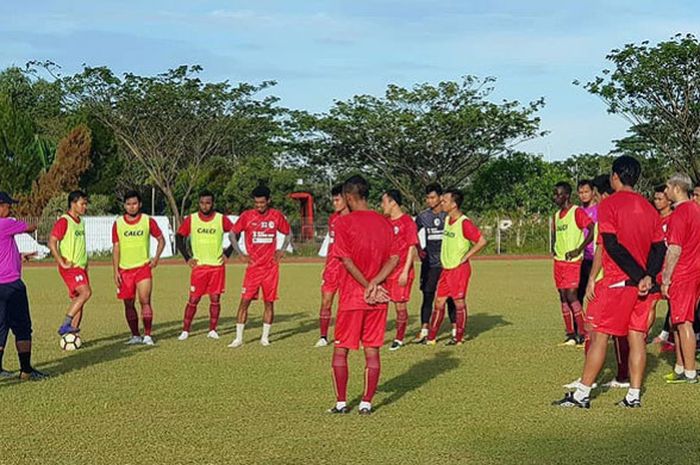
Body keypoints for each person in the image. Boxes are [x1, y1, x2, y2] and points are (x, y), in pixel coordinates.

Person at [555, 156, 665, 408]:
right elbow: (659, 247)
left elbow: (612, 247)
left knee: (599, 336)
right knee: (636, 338)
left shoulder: (609, 204)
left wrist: (638, 277)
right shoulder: (649, 208)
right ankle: (633, 396)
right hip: (644, 286)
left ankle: (582, 395)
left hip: (619, 283)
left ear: (615, 176)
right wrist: (648, 276)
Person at [327, 175, 399, 415]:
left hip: (352, 297)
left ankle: (341, 402)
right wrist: (376, 283)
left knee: (341, 350)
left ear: (348, 197)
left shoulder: (343, 223)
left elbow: (346, 261)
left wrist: (366, 284)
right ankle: (367, 403)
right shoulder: (385, 222)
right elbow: (394, 257)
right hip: (378, 297)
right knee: (372, 350)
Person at [228, 186, 291, 348]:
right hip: (253, 268)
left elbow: (288, 233)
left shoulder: (276, 216)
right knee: (244, 302)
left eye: (262, 203)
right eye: (256, 203)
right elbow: (232, 234)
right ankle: (238, 338)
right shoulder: (247, 216)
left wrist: (282, 250)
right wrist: (240, 253)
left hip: (270, 268)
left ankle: (265, 337)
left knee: (269, 303)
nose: (259, 206)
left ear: (268, 201)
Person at [425, 189, 487, 345]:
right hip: (446, 270)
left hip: (459, 270)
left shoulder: (464, 222)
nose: (441, 203)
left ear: (453, 204)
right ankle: (431, 337)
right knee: (438, 303)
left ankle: (458, 337)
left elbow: (481, 241)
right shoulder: (447, 219)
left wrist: (466, 256)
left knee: (459, 303)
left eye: (445, 201)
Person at [176, 190, 235, 341]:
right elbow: (179, 236)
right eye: (202, 202)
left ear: (213, 203)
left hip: (217, 266)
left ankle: (213, 330)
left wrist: (227, 253)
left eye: (208, 202)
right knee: (194, 299)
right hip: (199, 268)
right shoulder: (192, 219)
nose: (205, 205)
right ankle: (185, 330)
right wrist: (187, 258)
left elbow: (236, 232)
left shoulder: (221, 219)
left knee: (215, 299)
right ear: (199, 203)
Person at [0, 192, 47, 380]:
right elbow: (30, 226)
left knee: (1, 327)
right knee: (22, 327)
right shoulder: (5, 223)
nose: (10, 209)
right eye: (8, 205)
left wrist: (21, 256)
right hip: (11, 284)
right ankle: (26, 370)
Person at [112, 190, 165, 346]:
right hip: (124, 270)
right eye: (128, 204)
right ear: (124, 206)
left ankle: (148, 335)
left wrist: (155, 258)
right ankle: (135, 335)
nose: (132, 207)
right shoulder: (118, 223)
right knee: (128, 304)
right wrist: (115, 271)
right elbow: (116, 248)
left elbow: (161, 240)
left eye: (134, 203)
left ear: (140, 204)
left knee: (144, 300)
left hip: (142, 268)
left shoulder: (148, 221)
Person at [661, 173, 700, 384]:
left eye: (667, 187)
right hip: (695, 271)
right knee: (676, 320)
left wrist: (666, 279)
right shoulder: (696, 209)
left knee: (684, 322)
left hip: (683, 273)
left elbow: (674, 249)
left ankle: (690, 372)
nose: (665, 192)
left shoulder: (680, 213)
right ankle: (680, 366)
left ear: (676, 188)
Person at [551, 182, 595, 346]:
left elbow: (592, 229)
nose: (555, 197)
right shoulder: (556, 215)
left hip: (573, 262)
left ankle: (582, 334)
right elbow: (556, 235)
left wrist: (579, 249)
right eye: (554, 194)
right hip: (559, 261)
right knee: (562, 296)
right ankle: (570, 334)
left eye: (558, 194)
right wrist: (554, 248)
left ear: (567, 195)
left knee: (572, 295)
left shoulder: (576, 212)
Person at [414, 183, 457, 344]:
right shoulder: (423, 217)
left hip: (447, 263)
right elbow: (412, 233)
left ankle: (455, 330)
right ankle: (424, 330)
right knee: (427, 296)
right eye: (427, 198)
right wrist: (419, 249)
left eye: (432, 197)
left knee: (451, 297)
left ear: (440, 197)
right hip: (430, 265)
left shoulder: (449, 216)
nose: (429, 201)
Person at [48, 190, 91, 336]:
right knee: (85, 293)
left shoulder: (81, 222)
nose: (85, 207)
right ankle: (66, 324)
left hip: (81, 267)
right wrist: (62, 262)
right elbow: (52, 242)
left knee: (78, 300)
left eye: (86, 204)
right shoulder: (64, 221)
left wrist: (86, 264)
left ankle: (71, 336)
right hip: (71, 267)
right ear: (73, 204)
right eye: (82, 203)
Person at [381, 189, 419, 351]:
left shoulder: (407, 222)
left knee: (399, 306)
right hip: (385, 271)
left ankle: (399, 338)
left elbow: (412, 246)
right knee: (379, 305)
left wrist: (405, 271)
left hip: (400, 271)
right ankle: (374, 337)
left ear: (393, 203)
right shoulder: (385, 221)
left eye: (384, 202)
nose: (382, 205)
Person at [315, 184, 349, 347]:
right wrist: (326, 265)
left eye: (337, 200)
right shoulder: (333, 218)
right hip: (332, 267)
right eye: (333, 200)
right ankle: (323, 336)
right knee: (326, 301)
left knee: (345, 304)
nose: (334, 203)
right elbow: (332, 244)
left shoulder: (354, 218)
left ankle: (344, 335)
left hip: (348, 268)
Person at [649, 185, 674, 349]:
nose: (657, 202)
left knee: (674, 304)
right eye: (655, 198)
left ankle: (671, 337)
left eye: (660, 198)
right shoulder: (653, 219)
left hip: (671, 270)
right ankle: (643, 333)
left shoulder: (676, 218)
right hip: (655, 269)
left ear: (669, 200)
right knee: (650, 303)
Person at [576, 179, 598, 305]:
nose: (583, 195)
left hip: (595, 257)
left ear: (593, 192)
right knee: (578, 295)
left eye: (586, 191)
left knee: (594, 293)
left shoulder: (599, 210)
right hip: (581, 258)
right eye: (580, 192)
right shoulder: (577, 212)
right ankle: (577, 324)